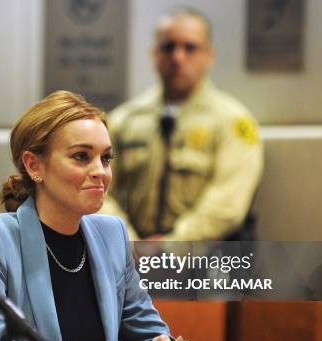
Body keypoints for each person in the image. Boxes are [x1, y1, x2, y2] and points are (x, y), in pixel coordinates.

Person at [0, 90, 197, 341]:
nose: (100, 171)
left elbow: (147, 329)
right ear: (34, 165)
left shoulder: (112, 234)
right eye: (81, 157)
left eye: (106, 158)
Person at [102, 7, 263, 241]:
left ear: (209, 55)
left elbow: (227, 204)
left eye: (190, 47)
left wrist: (170, 248)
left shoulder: (233, 122)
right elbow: (98, 191)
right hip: (134, 257)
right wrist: (128, 242)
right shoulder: (124, 121)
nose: (178, 57)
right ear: (154, 54)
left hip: (206, 259)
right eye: (168, 47)